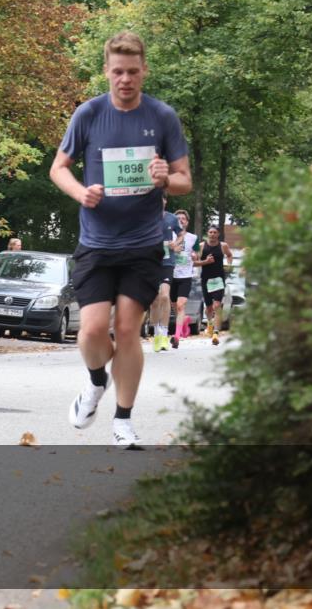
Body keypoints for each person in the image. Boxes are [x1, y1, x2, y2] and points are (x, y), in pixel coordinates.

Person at [49, 31, 191, 449]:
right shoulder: (88, 115)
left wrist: (168, 178)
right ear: (107, 72)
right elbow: (58, 167)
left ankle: (123, 420)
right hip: (96, 242)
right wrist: (81, 193)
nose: (125, 79)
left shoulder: (162, 117)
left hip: (143, 244)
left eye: (132, 71)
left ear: (144, 70)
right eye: (117, 72)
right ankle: (95, 383)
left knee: (128, 331)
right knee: (92, 332)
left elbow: (184, 181)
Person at [150, 195, 183, 352]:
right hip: (150, 262)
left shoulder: (172, 218)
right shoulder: (146, 216)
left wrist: (175, 243)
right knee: (155, 300)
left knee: (164, 296)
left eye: (162, 199)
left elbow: (181, 234)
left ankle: (163, 334)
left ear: (165, 201)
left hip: (167, 261)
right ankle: (156, 334)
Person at [194, 225, 233, 346]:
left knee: (217, 305)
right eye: (210, 232)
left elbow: (229, 255)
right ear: (207, 233)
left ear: (218, 234)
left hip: (219, 279)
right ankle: (210, 324)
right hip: (206, 280)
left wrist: (229, 264)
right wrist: (205, 262)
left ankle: (216, 333)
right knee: (209, 308)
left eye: (214, 232)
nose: (212, 234)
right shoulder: (201, 246)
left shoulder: (223, 246)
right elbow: (195, 263)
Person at [169, 209, 200, 348]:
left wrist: (195, 256)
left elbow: (197, 254)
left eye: (183, 219)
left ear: (187, 222)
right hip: (170, 273)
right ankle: (184, 321)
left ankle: (176, 337)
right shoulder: (168, 235)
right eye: (178, 219)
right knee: (174, 305)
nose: (181, 220)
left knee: (181, 305)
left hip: (186, 275)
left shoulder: (193, 238)